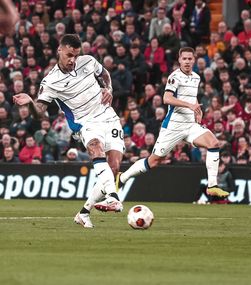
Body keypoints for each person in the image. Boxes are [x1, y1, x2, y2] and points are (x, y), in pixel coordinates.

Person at [13, 34, 124, 228]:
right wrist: (31, 103)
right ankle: (113, 196)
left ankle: (83, 213)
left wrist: (108, 88)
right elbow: (39, 112)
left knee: (114, 167)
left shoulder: (88, 61)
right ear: (60, 50)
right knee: (95, 148)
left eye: (76, 55)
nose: (73, 60)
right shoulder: (51, 81)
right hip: (85, 123)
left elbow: (104, 73)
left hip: (109, 117)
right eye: (69, 55)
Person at [117, 47, 229, 198]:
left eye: (190, 59)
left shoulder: (196, 77)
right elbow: (167, 98)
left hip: (190, 125)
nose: (187, 61)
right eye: (184, 59)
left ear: (194, 60)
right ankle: (122, 178)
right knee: (154, 161)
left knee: (214, 143)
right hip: (173, 126)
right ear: (179, 60)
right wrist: (190, 106)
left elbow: (192, 96)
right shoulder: (174, 77)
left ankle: (212, 186)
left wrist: (197, 110)